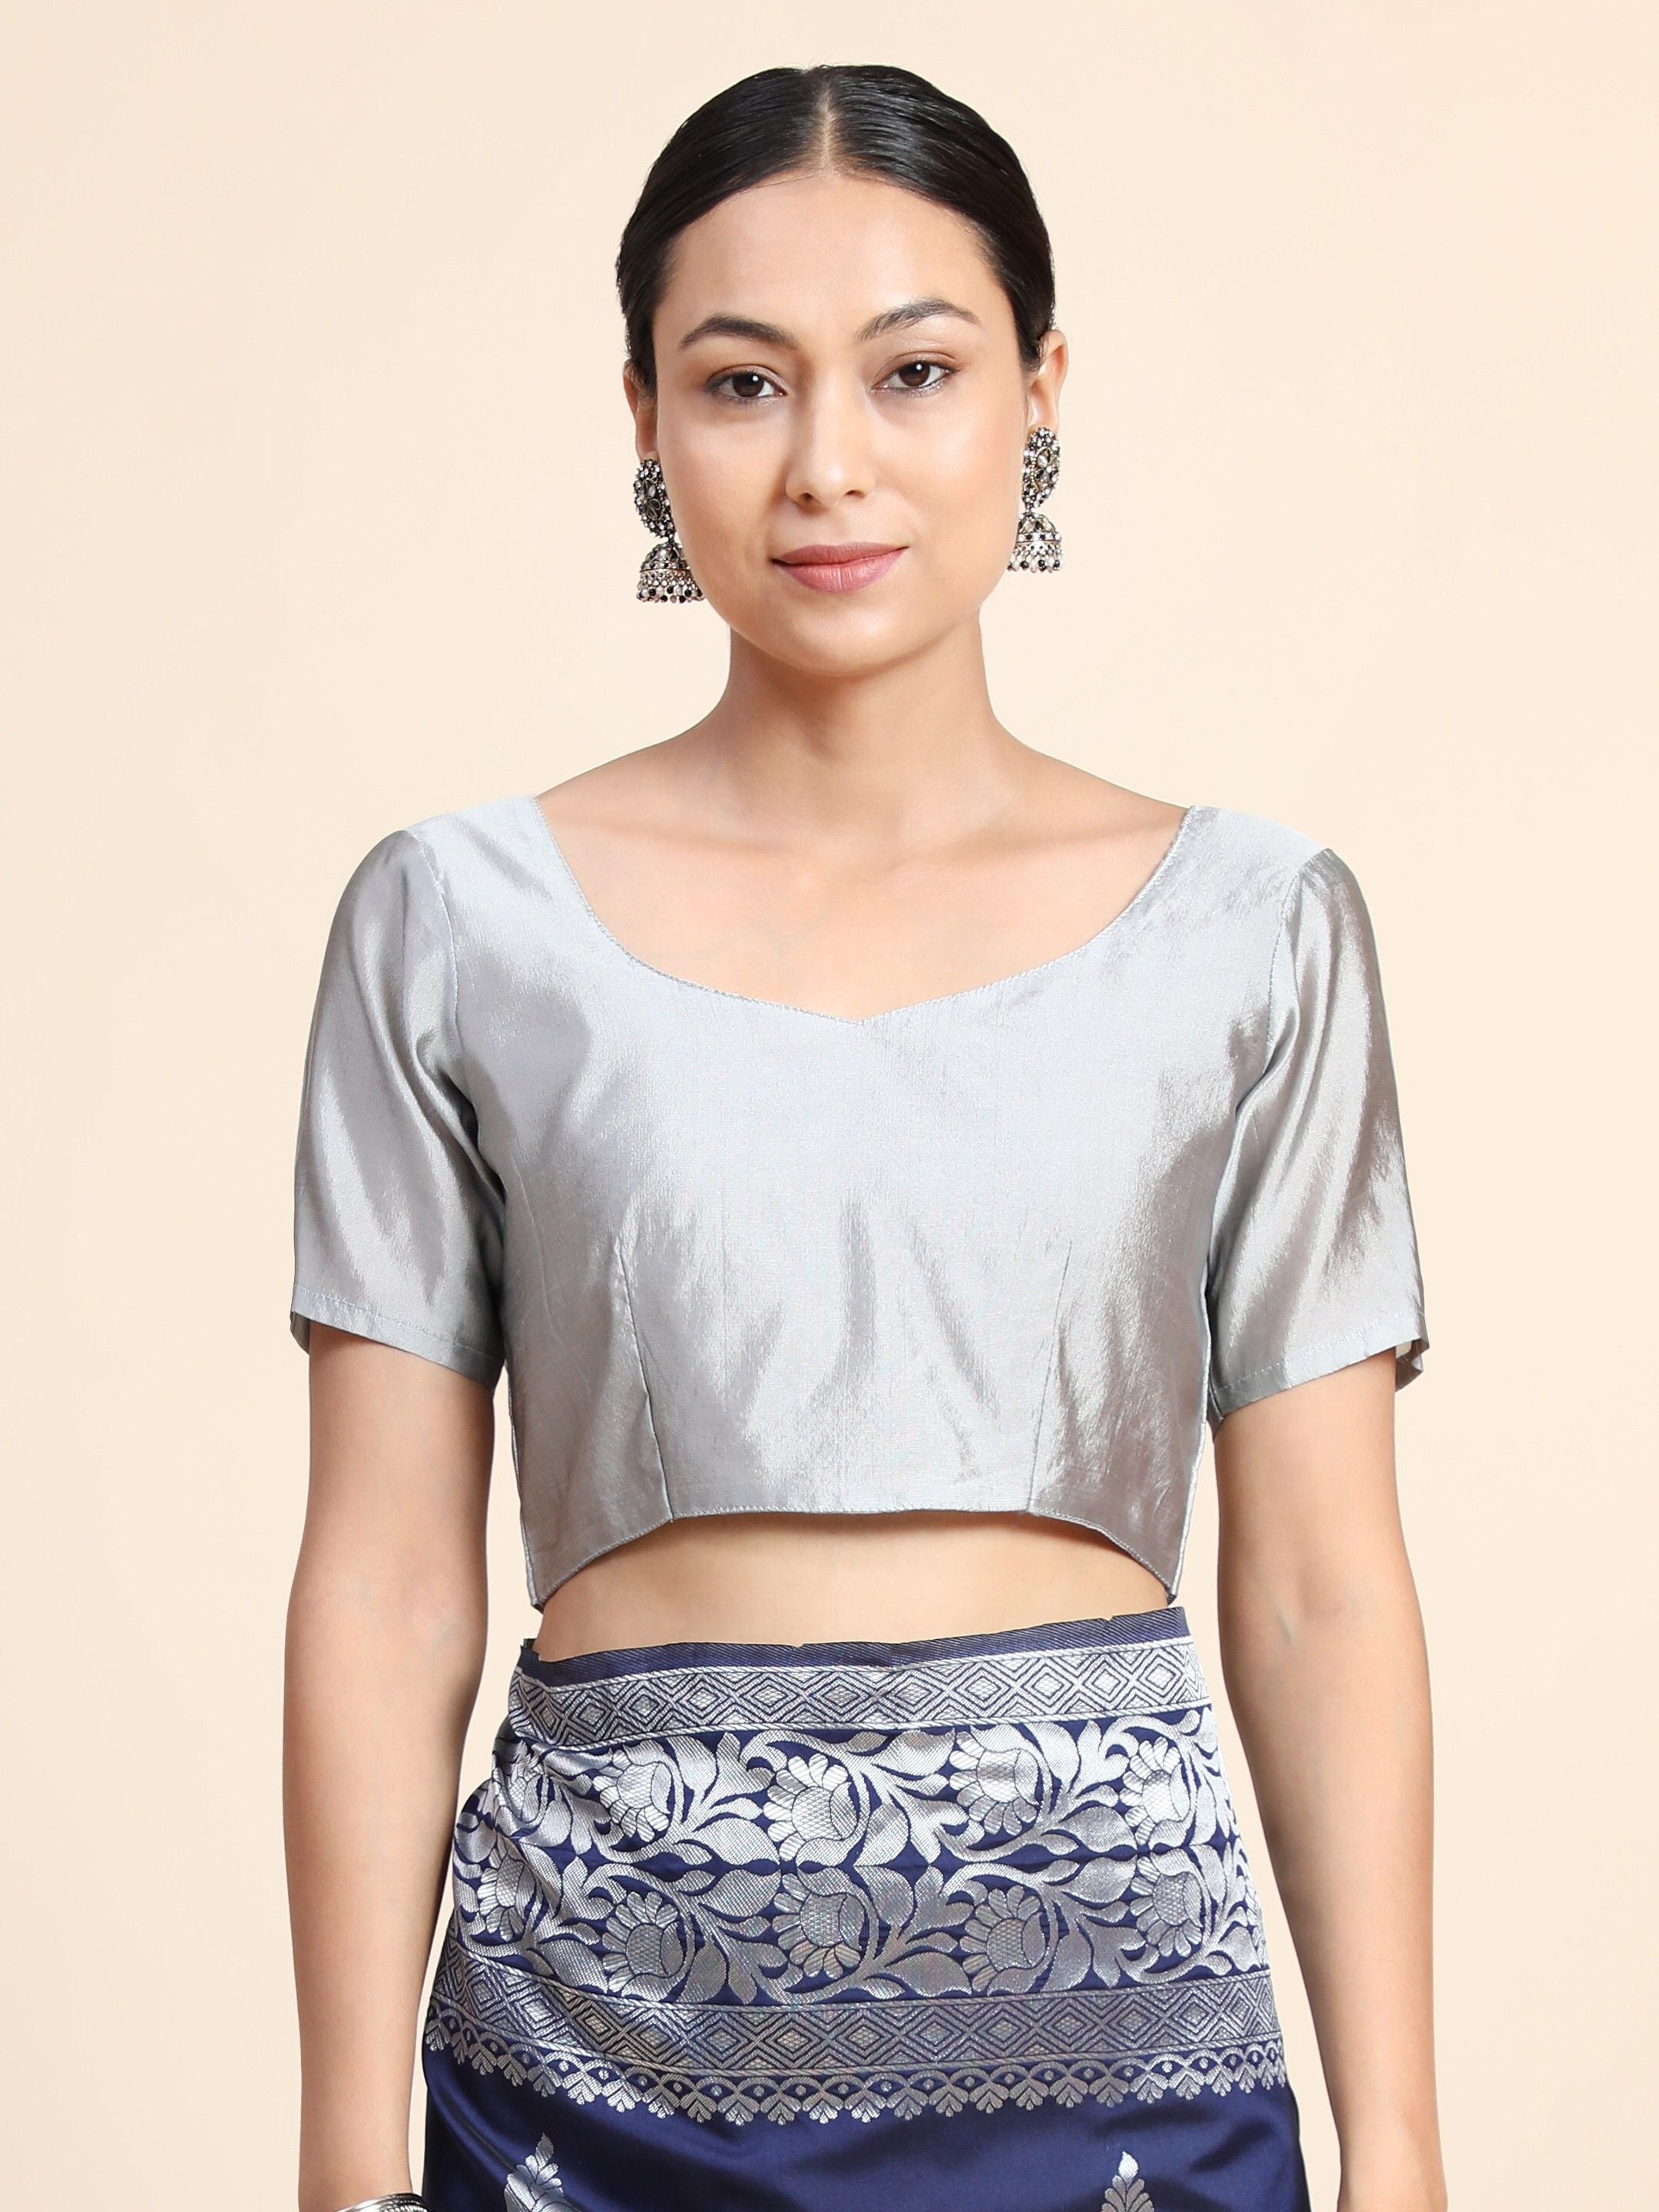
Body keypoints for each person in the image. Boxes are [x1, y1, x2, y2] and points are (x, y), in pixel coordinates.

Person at [283, 61, 1445, 2212]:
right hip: (588, 2086)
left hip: (1124, 2094)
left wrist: (1407, 2156)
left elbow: (1320, 1591)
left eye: (915, 370)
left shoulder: (1255, 931)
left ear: (1040, 387)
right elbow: (381, 1585)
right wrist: (346, 2167)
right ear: (644, 419)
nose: (829, 462)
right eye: (743, 383)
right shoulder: (458, 927)